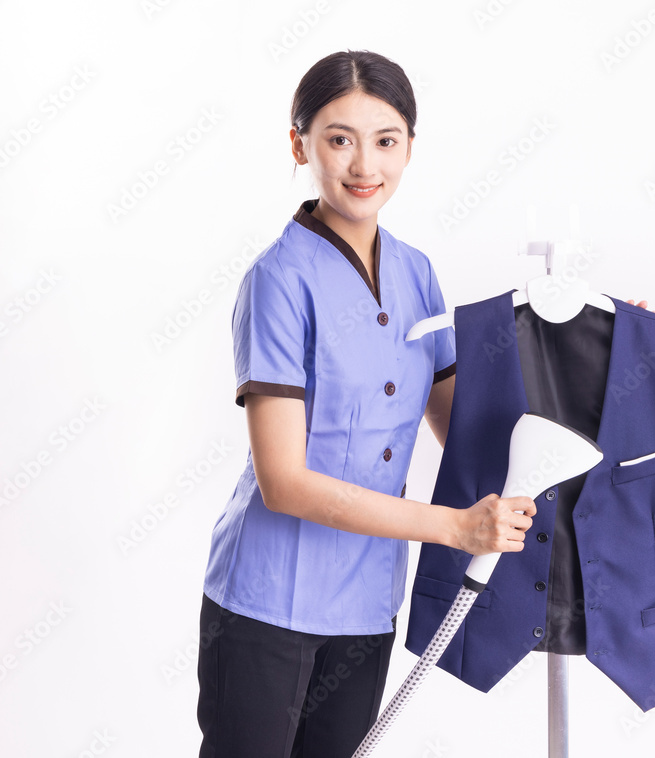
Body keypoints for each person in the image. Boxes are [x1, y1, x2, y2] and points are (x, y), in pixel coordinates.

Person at [195, 50, 539, 758]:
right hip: (267, 604)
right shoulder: (279, 282)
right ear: (300, 144)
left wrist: (595, 346)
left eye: (385, 140)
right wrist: (452, 528)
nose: (363, 164)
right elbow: (283, 483)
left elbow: (466, 428)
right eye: (338, 138)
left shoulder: (416, 273)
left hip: (367, 605)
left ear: (411, 146)